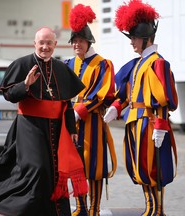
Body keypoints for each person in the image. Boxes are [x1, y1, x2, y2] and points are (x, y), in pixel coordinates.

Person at [0, 27, 87, 216]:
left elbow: (66, 102)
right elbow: (9, 95)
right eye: (41, 42)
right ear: (35, 44)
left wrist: (71, 129)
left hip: (56, 129)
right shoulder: (22, 64)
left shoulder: (61, 68)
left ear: (55, 45)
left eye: (49, 43)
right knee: (37, 169)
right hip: (30, 126)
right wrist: (25, 85)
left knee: (55, 172)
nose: (45, 47)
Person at [104, 0, 178, 215]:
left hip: (149, 122)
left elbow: (163, 99)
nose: (132, 43)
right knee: (140, 168)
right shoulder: (136, 64)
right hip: (134, 122)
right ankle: (151, 208)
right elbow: (127, 94)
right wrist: (117, 107)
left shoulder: (158, 63)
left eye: (134, 38)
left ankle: (155, 211)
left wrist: (161, 125)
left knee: (153, 168)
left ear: (146, 39)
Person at [65, 4, 117, 216]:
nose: (77, 44)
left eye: (80, 41)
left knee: (94, 167)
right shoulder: (68, 63)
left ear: (88, 42)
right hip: (72, 122)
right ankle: (81, 207)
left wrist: (79, 110)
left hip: (93, 122)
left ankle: (94, 209)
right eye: (74, 41)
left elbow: (102, 94)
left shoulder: (103, 64)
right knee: (76, 166)